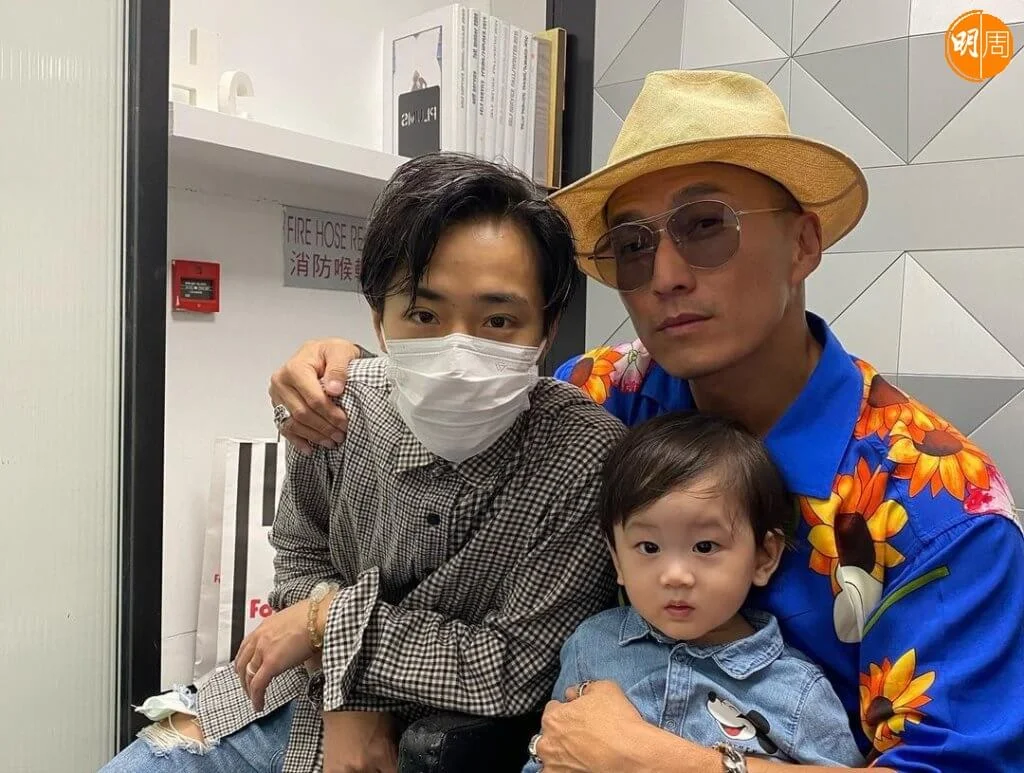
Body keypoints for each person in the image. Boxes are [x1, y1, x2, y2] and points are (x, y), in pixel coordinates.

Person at [267, 69, 1024, 772]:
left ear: (802, 243)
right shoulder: (604, 394)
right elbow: (457, 394)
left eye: (707, 225)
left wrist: (662, 761)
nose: (664, 275)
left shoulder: (936, 505)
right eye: (632, 244)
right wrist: (349, 372)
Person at [103, 152, 625, 773]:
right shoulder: (337, 413)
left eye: (498, 320)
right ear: (379, 321)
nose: (458, 353)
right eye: (424, 315)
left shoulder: (584, 456)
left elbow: (510, 666)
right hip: (287, 701)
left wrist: (326, 624)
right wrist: (342, 694)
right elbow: (300, 554)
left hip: (450, 746)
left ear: (548, 327)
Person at [522, 411, 864, 771]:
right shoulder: (591, 645)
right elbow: (551, 752)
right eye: (649, 548)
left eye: (704, 547)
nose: (675, 576)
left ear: (763, 557)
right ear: (618, 560)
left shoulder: (797, 691)